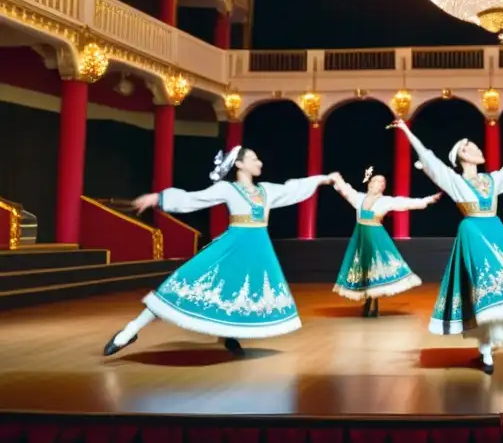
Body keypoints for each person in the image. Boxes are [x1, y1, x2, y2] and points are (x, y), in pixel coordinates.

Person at [102, 146, 341, 357]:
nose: (260, 163)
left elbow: (294, 187)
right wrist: (159, 197)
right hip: (231, 246)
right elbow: (194, 198)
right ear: (239, 164)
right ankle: (130, 330)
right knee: (182, 283)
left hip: (258, 252)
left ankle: (228, 335)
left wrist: (323, 179)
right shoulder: (228, 189)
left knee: (238, 294)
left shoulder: (266, 190)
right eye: (254, 159)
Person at [389, 118, 503, 374]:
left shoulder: (492, 179)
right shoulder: (454, 181)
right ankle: (486, 351)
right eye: (470, 148)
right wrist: (406, 130)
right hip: (473, 234)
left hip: (496, 232)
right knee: (480, 289)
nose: (477, 149)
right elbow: (429, 158)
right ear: (461, 157)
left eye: (476, 146)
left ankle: (487, 346)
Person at [333, 166, 441, 316]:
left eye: (383, 182)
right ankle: (367, 301)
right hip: (361, 238)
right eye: (377, 181)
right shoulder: (358, 198)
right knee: (363, 268)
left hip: (376, 237)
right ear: (370, 183)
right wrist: (336, 179)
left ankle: (373, 303)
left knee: (375, 267)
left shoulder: (385, 201)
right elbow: (344, 190)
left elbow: (405, 203)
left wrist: (428, 199)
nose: (380, 184)